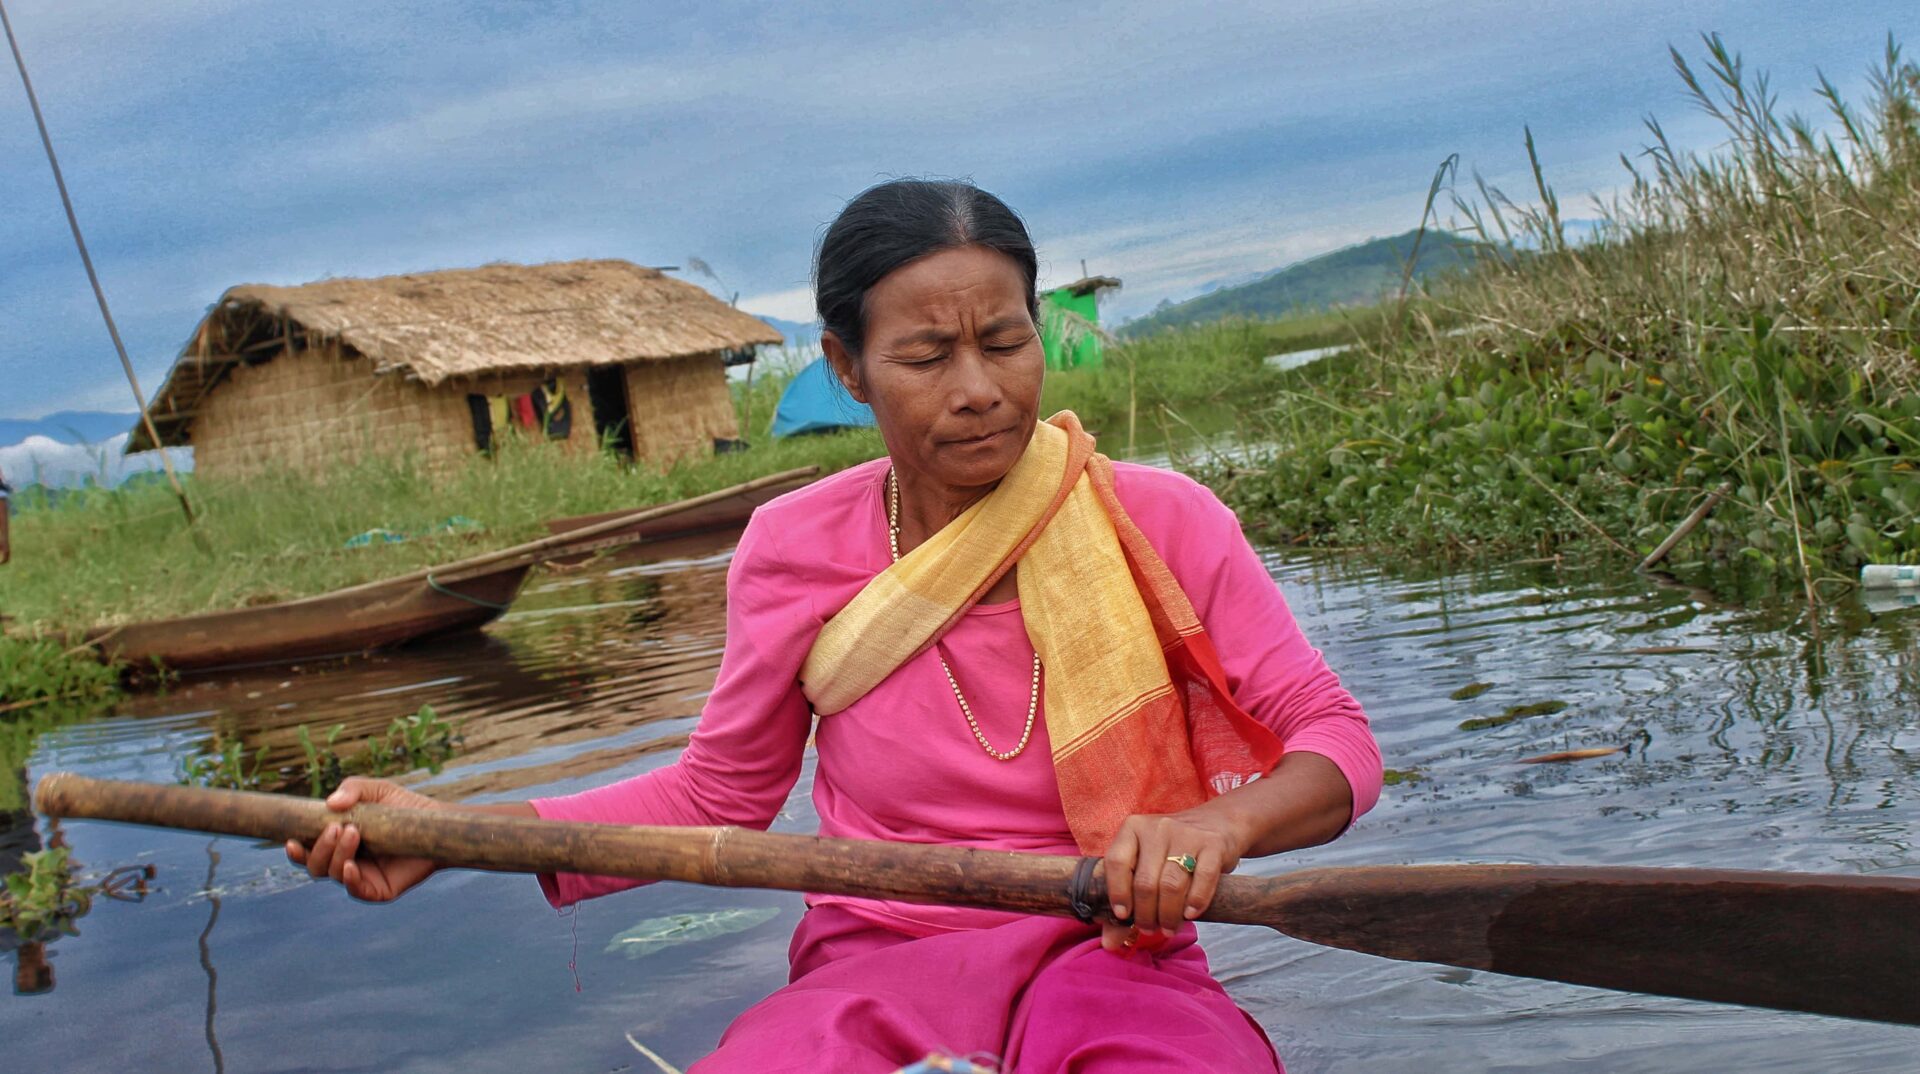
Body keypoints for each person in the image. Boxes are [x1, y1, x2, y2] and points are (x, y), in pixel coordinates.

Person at [290, 179, 1382, 1072]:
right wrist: (452, 834)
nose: (978, 390)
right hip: (878, 956)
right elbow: (716, 796)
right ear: (847, 368)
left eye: (1004, 343)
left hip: (1119, 952)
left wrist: (1213, 831)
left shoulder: (1160, 520)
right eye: (924, 357)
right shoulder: (792, 546)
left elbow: (1335, 740)